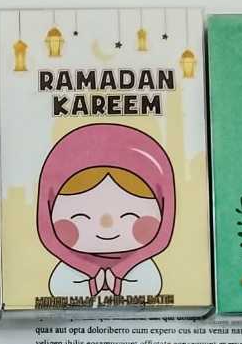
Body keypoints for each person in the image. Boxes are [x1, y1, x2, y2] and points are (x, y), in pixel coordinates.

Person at [36, 124, 175, 299]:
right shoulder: (66, 273)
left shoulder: (144, 271)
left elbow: (149, 289)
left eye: (130, 216)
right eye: (80, 216)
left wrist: (121, 271)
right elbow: (60, 290)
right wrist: (89, 271)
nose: (106, 225)